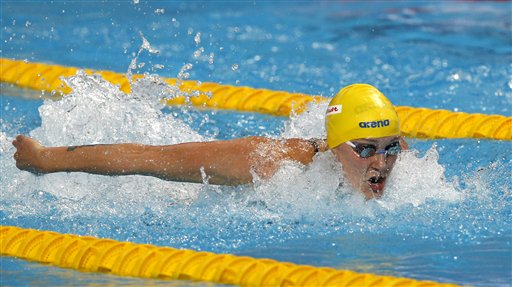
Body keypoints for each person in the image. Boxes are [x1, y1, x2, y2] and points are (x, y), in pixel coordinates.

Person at [12, 83, 407, 199]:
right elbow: (148, 158)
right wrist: (46, 159)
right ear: (336, 146)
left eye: (390, 147)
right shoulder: (271, 163)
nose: (382, 162)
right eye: (366, 150)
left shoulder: (395, 157)